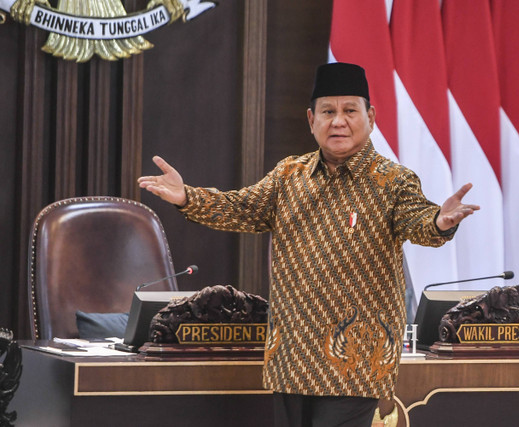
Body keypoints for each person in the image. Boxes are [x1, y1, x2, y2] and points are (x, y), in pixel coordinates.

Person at [138, 62, 479, 426]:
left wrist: (439, 223)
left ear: (371, 116)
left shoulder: (393, 181)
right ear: (311, 119)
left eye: (350, 110)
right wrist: (187, 197)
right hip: (292, 357)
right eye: (328, 112)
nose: (338, 121)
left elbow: (418, 222)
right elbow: (240, 208)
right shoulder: (289, 175)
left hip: (355, 361)